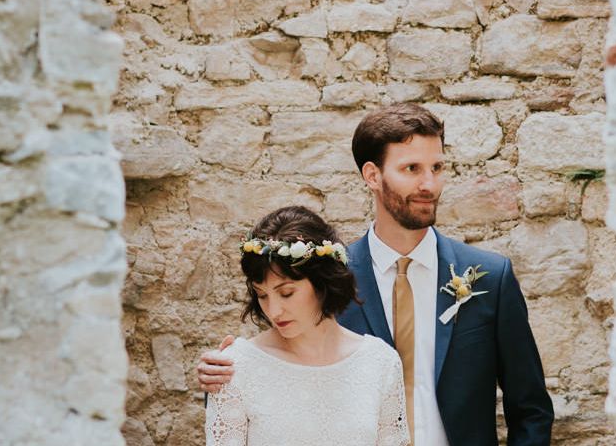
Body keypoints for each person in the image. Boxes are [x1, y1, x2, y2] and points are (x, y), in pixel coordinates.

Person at [200, 103, 554, 446]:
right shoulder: (327, 278)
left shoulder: (491, 277)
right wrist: (222, 374)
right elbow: (279, 377)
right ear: (372, 175)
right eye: (412, 169)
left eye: (438, 167)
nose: (429, 184)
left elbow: (531, 410)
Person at [204, 204, 409, 446]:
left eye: (287, 293)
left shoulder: (380, 362)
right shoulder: (237, 367)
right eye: (262, 295)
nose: (273, 310)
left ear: (323, 282)